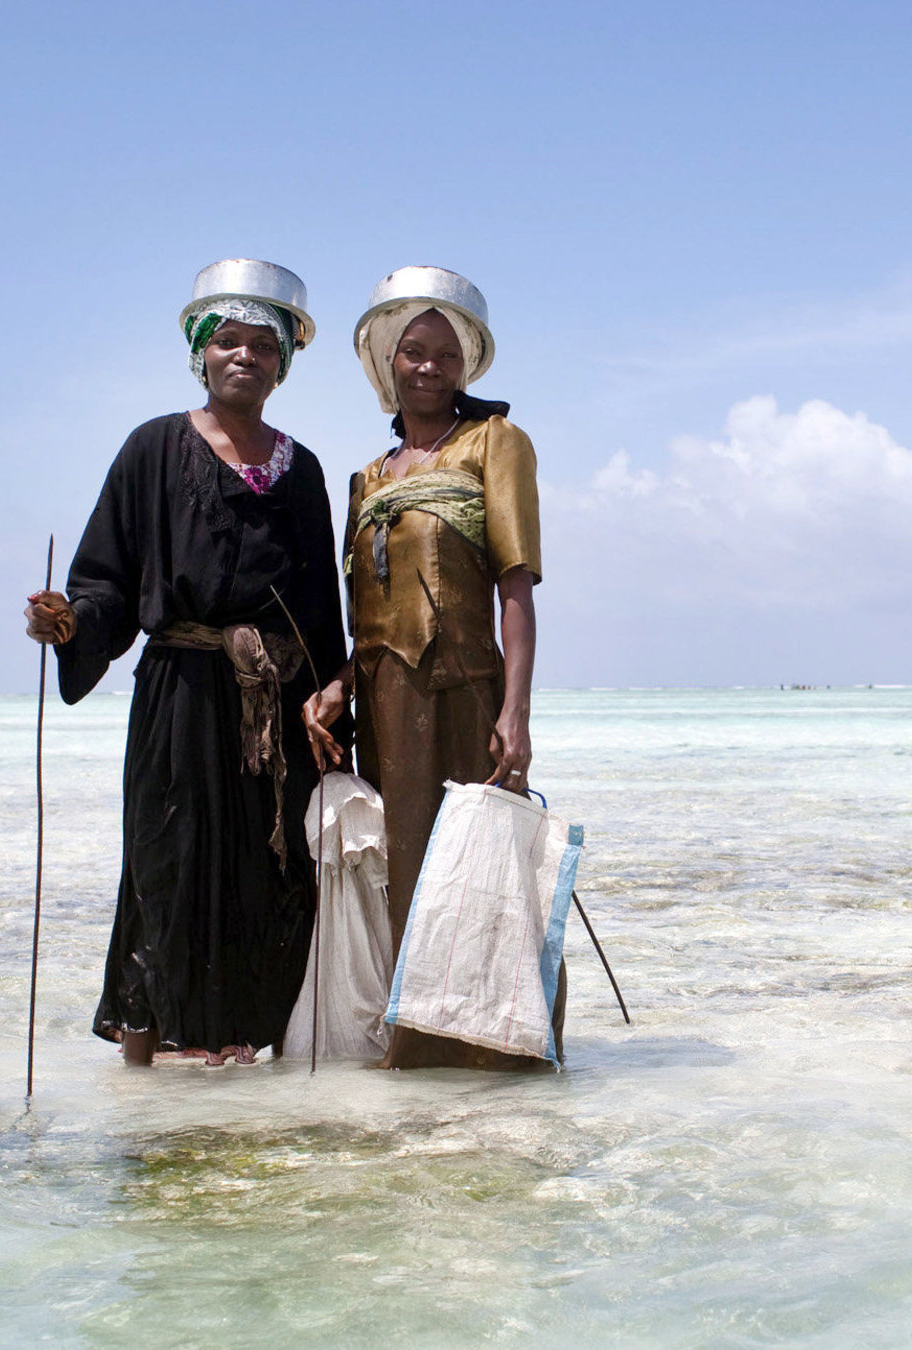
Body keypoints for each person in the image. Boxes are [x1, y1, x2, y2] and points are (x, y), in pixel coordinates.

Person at [24, 259, 346, 1068]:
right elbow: (103, 581)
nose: (245, 357)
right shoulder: (153, 449)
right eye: (227, 341)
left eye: (263, 347)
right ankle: (142, 1082)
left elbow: (319, 615)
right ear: (200, 354)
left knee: (272, 874)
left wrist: (335, 692)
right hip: (179, 701)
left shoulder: (301, 472)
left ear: (284, 364)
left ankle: (246, 1057)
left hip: (277, 708)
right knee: (162, 869)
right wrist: (67, 625)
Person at [301, 266, 562, 1071]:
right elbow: (367, 616)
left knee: (478, 874)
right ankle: (414, 1051)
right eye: (412, 352)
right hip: (383, 704)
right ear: (388, 365)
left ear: (466, 366)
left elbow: (516, 587)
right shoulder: (368, 480)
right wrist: (338, 688)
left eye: (445, 356)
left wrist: (514, 712)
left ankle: (495, 1056)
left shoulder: (497, 444)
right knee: (404, 874)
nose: (427, 367)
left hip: (464, 693)